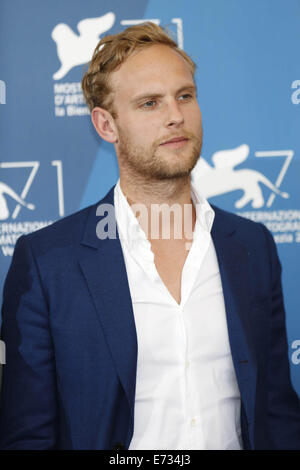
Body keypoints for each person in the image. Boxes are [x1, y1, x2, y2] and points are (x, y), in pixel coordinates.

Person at [0, 22, 300, 450]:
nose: (175, 115)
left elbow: (276, 413)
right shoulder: (49, 263)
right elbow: (28, 435)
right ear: (106, 125)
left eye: (184, 95)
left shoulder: (251, 246)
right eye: (149, 103)